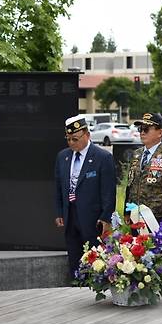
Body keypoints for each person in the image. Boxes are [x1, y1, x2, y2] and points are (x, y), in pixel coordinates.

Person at [54, 116, 115, 277]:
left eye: (75, 139)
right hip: (70, 216)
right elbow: (59, 187)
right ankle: (76, 287)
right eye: (68, 139)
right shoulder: (63, 157)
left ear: (87, 135)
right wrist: (60, 212)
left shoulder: (102, 157)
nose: (71, 143)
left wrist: (106, 217)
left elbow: (109, 192)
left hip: (93, 219)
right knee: (74, 259)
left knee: (95, 261)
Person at [124, 112, 162, 225]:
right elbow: (130, 185)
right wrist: (126, 211)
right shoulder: (137, 154)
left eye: (146, 129)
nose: (142, 133)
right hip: (136, 216)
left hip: (157, 217)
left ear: (160, 132)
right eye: (140, 129)